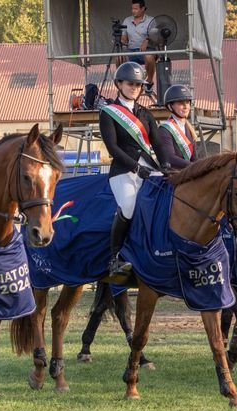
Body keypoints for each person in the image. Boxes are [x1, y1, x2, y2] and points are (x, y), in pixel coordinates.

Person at [99, 61, 167, 281]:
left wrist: (165, 166)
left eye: (138, 85)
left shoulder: (145, 113)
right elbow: (113, 148)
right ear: (119, 83)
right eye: (131, 84)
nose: (135, 88)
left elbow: (158, 144)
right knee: (128, 206)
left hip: (148, 168)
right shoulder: (108, 113)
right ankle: (115, 257)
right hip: (123, 171)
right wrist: (135, 167)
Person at [156, 84, 197, 170]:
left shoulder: (189, 129)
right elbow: (170, 158)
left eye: (187, 102)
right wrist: (194, 167)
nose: (186, 106)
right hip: (173, 175)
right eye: (181, 103)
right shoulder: (164, 130)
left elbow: (194, 158)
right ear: (170, 106)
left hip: (188, 173)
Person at [120, 1, 156, 93]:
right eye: (132, 8)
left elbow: (156, 36)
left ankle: (149, 82)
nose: (133, 11)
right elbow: (124, 38)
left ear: (143, 8)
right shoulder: (127, 20)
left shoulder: (151, 20)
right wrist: (121, 41)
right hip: (131, 51)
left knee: (149, 56)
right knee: (119, 58)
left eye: (136, 9)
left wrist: (147, 40)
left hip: (147, 50)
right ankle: (121, 83)